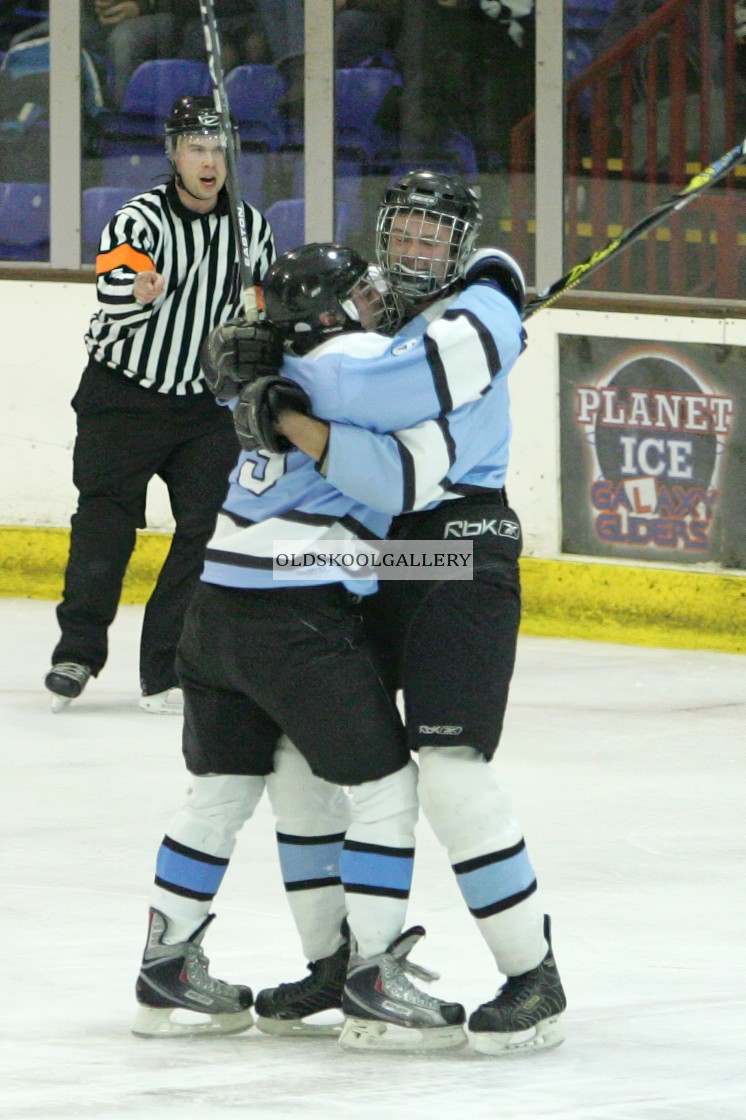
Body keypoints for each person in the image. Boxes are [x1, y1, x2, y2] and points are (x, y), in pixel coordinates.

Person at [232, 170, 567, 1056]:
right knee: (306, 752)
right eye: (406, 230)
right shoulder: (374, 313)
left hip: (462, 544)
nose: (417, 248)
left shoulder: (484, 300)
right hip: (390, 551)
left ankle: (534, 976)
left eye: (434, 235)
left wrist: (278, 369)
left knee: (449, 771)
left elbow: (387, 395)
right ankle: (339, 964)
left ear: (459, 245)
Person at [131, 243, 468, 1051]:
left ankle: (164, 963)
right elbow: (419, 457)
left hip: (213, 613)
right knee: (386, 788)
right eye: (358, 291)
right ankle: (375, 975)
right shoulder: (354, 358)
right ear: (330, 312)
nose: (374, 298)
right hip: (296, 615)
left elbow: (242, 359)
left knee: (219, 794)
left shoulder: (272, 359)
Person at [44, 94, 275, 715]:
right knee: (106, 522)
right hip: (123, 393)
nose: (209, 161)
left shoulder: (252, 231)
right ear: (173, 153)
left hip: (203, 407)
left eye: (219, 148)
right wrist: (138, 290)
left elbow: (260, 318)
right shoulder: (139, 217)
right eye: (197, 148)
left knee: (207, 530)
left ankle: (167, 667)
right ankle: (78, 651)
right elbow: (114, 281)